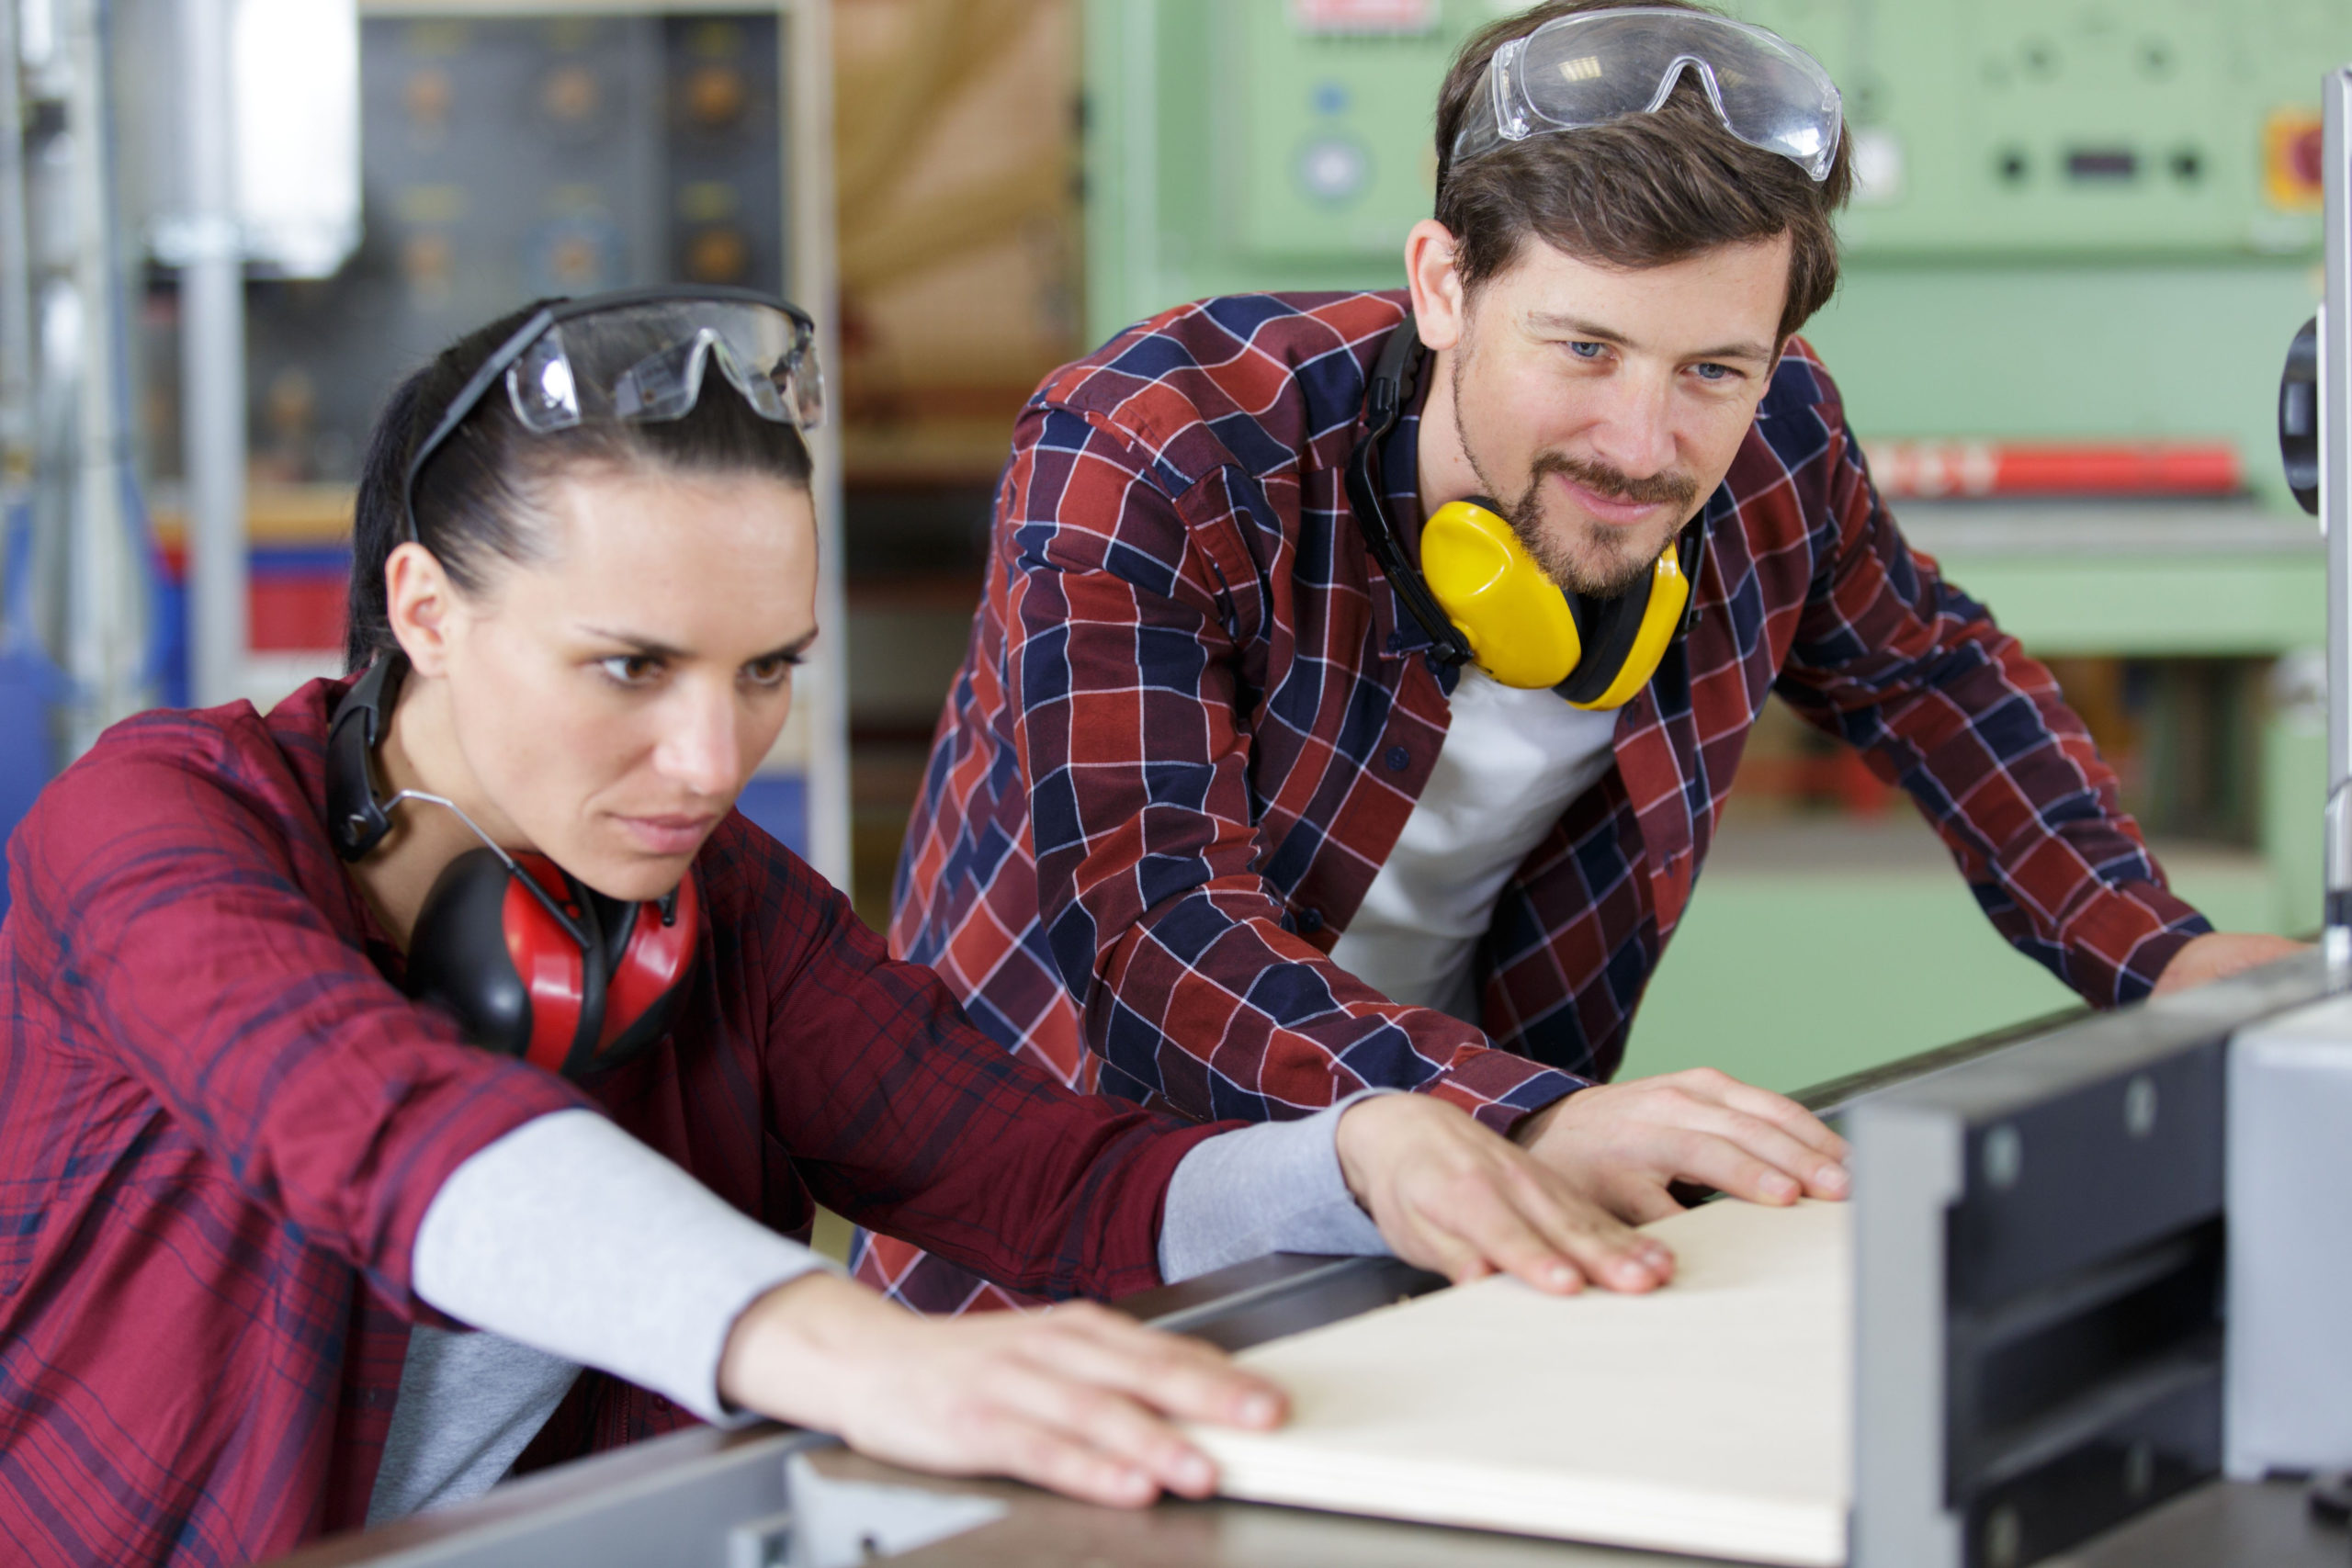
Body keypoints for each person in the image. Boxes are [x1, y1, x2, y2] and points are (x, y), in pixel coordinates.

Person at [0, 288, 1678, 1567]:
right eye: (630, 666)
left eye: (765, 671)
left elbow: (1044, 1177)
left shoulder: (721, 905)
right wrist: (844, 1351)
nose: (710, 761)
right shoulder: (156, 824)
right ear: (424, 611)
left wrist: (1363, 1153)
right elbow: (370, 1118)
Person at [876, 0, 2302, 1313]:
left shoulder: (1777, 440)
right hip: (1074, 1206)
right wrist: (1530, 1114)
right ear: (1444, 285)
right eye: (1583, 349)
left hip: (1467, 1192)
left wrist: (2156, 950)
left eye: (1713, 371)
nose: (1643, 444)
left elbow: (1933, 677)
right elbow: (1155, 934)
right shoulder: (1156, 448)